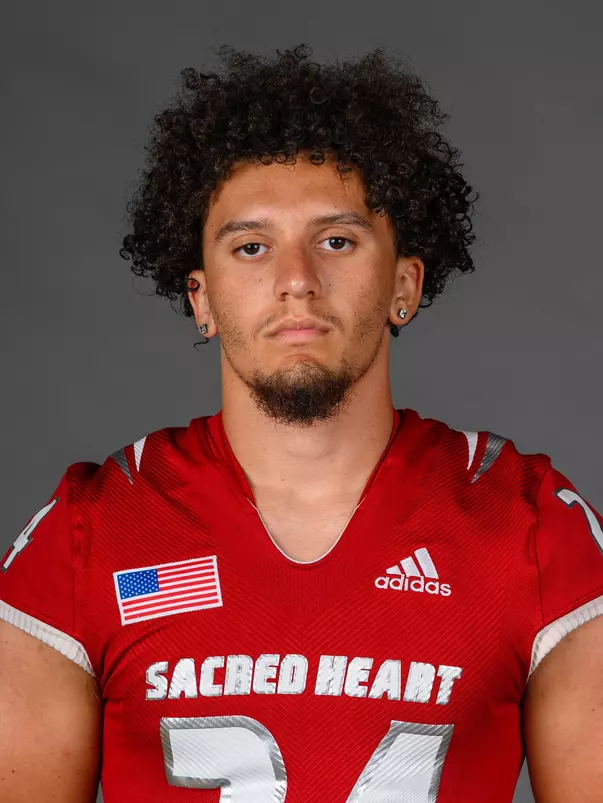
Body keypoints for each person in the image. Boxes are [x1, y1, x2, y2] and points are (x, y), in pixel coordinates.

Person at [1, 44, 602, 803]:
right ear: (203, 300)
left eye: (336, 241)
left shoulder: (529, 525)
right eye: (251, 247)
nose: (295, 281)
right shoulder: (89, 533)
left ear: (403, 285)